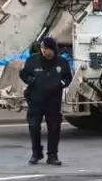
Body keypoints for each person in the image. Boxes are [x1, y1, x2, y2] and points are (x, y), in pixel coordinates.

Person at [19, 36, 71, 165]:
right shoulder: (33, 61)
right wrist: (31, 81)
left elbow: (68, 77)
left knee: (54, 128)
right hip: (35, 99)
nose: (44, 51)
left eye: (47, 49)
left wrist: (61, 83)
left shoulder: (62, 62)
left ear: (53, 49)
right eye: (42, 48)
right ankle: (36, 153)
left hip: (53, 101)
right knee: (34, 127)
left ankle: (52, 155)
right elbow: (23, 73)